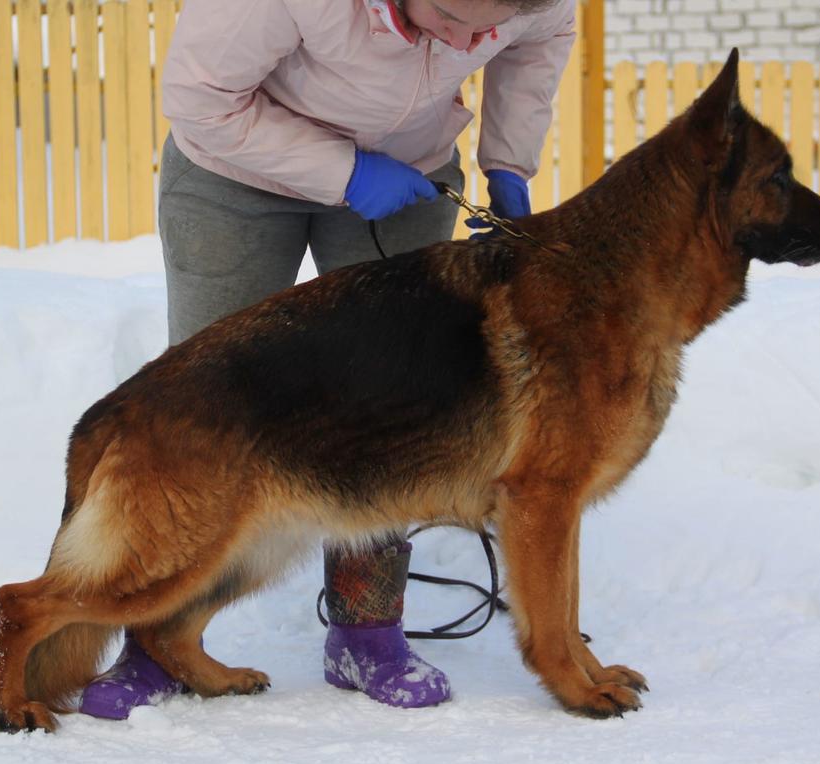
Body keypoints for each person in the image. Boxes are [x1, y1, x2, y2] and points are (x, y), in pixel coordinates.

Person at [77, 0, 576, 720]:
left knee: (396, 405)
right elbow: (199, 96)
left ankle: (365, 632)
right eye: (451, 16)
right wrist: (342, 169)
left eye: (485, 30)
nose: (468, 44)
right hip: (234, 172)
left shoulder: (536, 1)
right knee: (205, 410)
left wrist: (508, 165)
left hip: (406, 171)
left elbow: (536, 47)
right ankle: (156, 640)